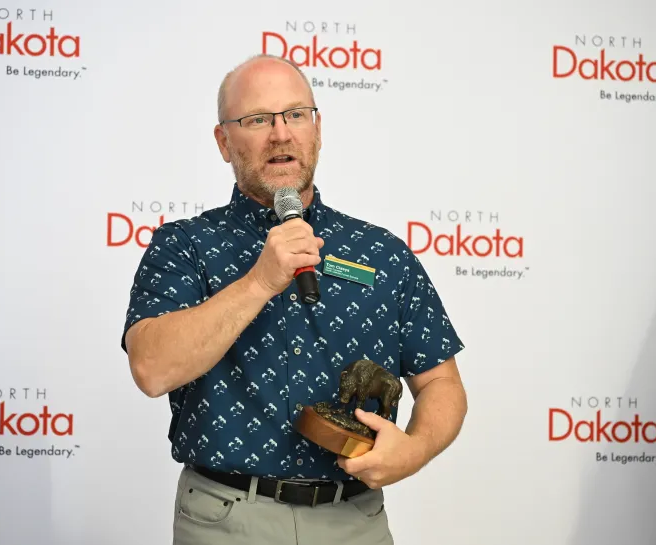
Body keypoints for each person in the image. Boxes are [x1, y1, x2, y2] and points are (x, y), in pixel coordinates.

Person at [120, 53, 468, 545]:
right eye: (257, 120)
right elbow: (152, 369)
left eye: (295, 115)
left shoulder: (381, 252)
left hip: (356, 522)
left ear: (317, 130)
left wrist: (415, 449)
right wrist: (260, 281)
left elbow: (442, 384)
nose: (280, 134)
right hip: (226, 520)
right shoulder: (184, 245)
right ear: (223, 142)